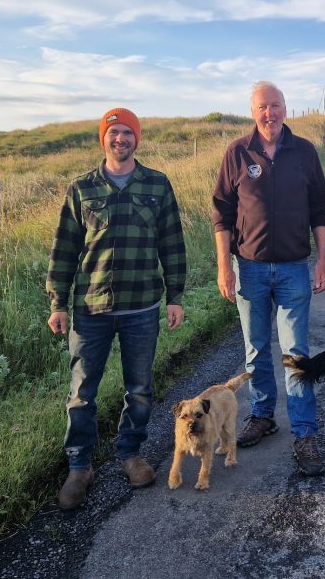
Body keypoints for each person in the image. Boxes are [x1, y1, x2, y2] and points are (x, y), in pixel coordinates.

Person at [47, 107, 187, 509]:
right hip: (90, 309)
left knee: (140, 389)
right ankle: (80, 466)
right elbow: (64, 251)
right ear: (103, 138)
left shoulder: (157, 185)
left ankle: (130, 454)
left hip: (141, 307)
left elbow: (172, 244)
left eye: (127, 132)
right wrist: (58, 303)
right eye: (113, 133)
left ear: (137, 138)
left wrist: (175, 296)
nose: (120, 139)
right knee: (81, 393)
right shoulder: (81, 188)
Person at [212, 81, 325, 477]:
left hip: (296, 267)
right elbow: (222, 214)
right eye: (263, 107)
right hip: (250, 267)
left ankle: (305, 432)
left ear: (285, 109)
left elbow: (320, 209)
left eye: (276, 106)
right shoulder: (237, 153)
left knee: (296, 352)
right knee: (256, 348)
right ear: (253, 112)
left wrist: (323, 259)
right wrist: (223, 266)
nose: (270, 113)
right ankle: (263, 416)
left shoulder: (305, 152)